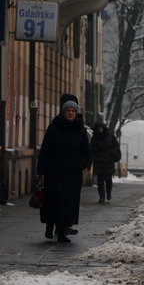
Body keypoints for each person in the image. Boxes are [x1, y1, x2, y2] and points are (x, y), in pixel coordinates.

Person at [37, 98, 91, 243]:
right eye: (68, 111)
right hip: (53, 171)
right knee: (52, 200)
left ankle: (62, 231)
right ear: (63, 112)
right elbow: (45, 149)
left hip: (72, 174)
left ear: (76, 113)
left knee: (68, 203)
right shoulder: (54, 127)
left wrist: (80, 166)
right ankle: (49, 226)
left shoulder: (80, 130)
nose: (71, 113)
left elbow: (87, 152)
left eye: (73, 111)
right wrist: (41, 170)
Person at [90, 121, 121, 203]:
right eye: (98, 128)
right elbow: (91, 149)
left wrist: (113, 154)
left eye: (101, 128)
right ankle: (102, 197)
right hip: (99, 161)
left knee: (108, 180)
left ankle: (108, 193)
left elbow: (116, 146)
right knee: (100, 180)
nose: (100, 129)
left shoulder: (110, 136)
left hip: (108, 160)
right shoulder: (95, 137)